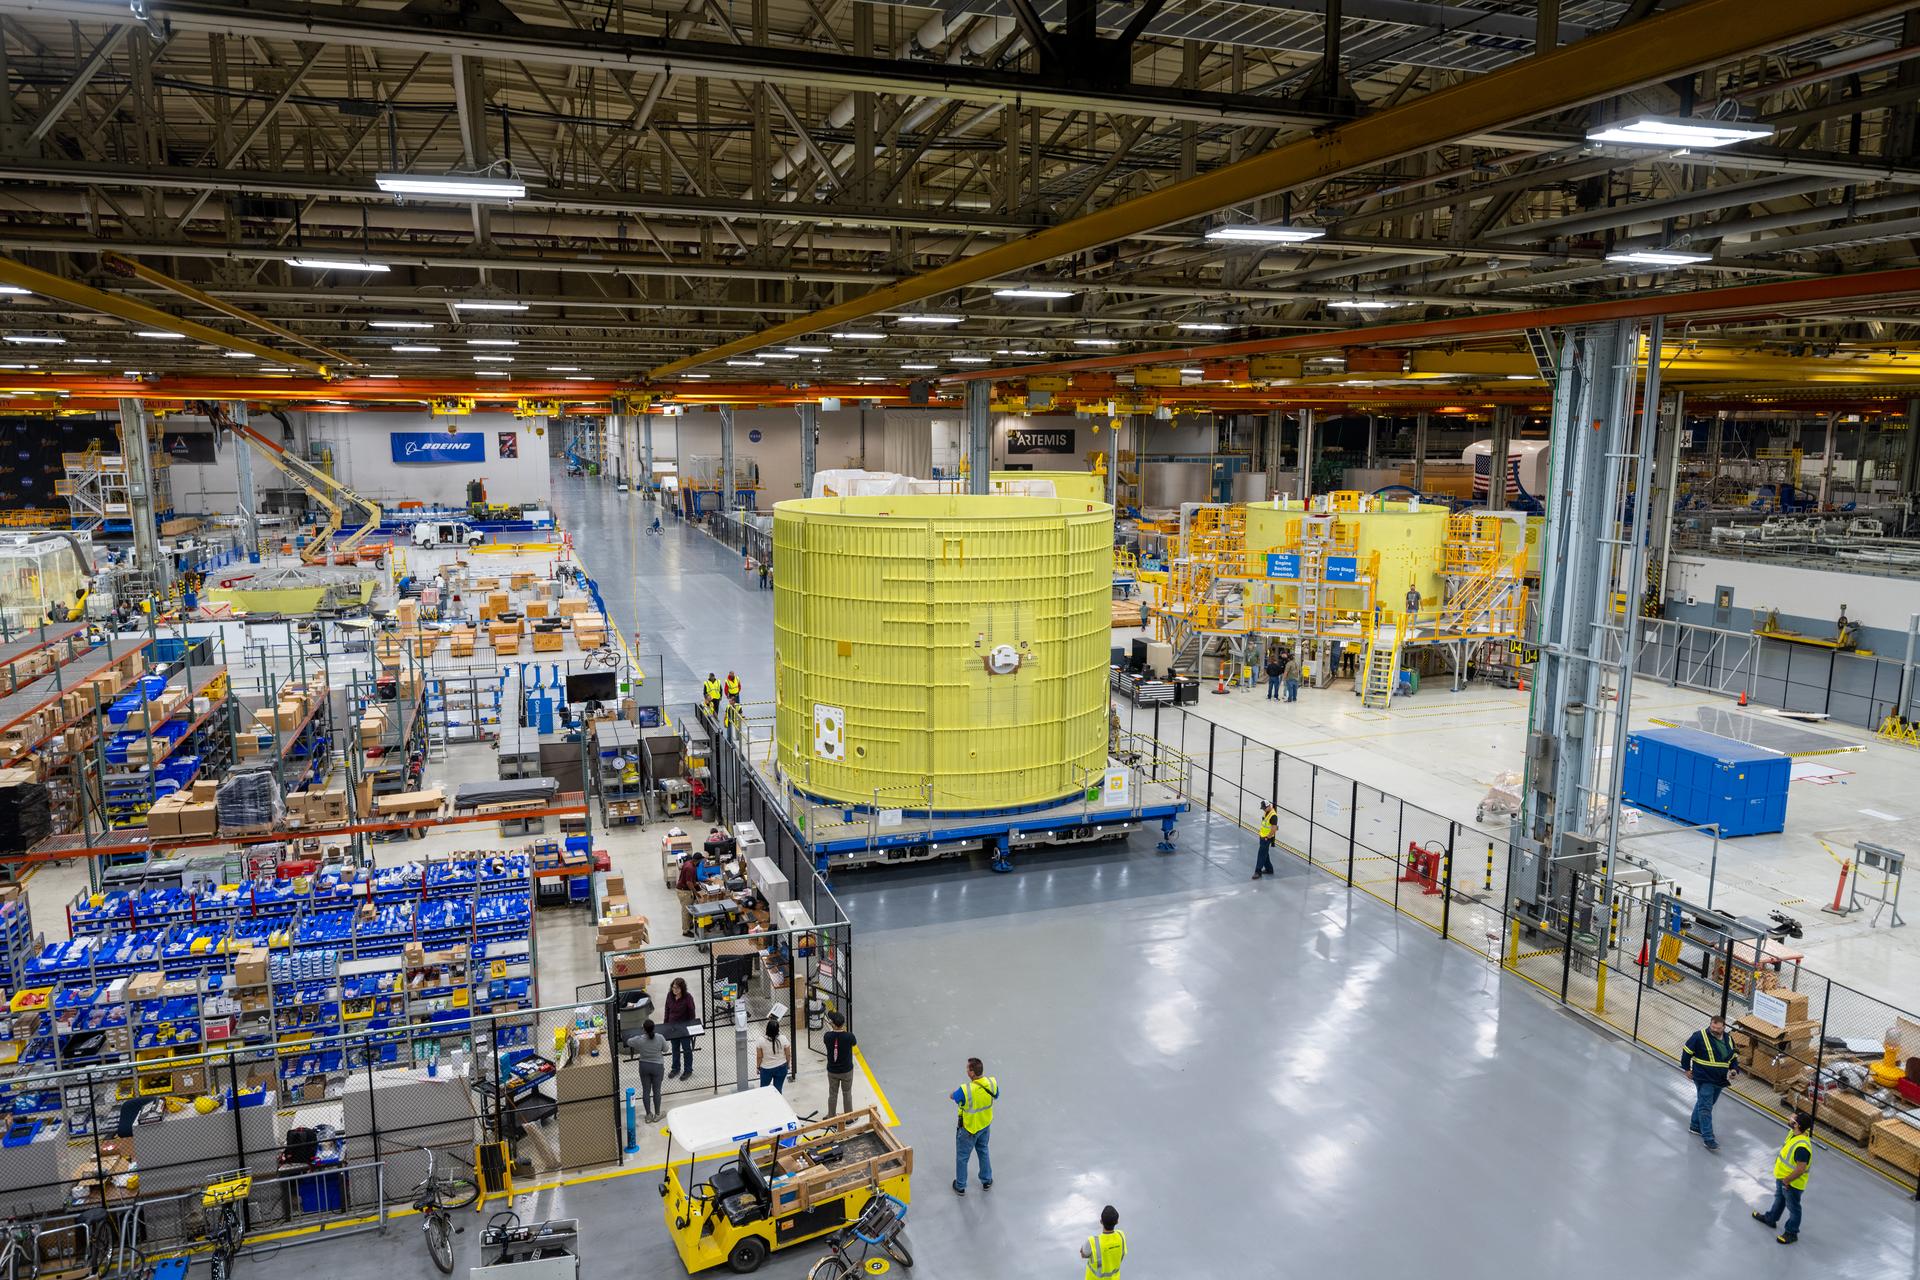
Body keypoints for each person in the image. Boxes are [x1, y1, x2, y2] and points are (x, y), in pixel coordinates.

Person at [1752, 1111, 1814, 1244]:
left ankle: (1792, 1232)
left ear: (1797, 1125)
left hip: (1792, 1183)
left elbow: (1800, 1169)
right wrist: (1795, 1118)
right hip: (1783, 1178)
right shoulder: (1795, 1133)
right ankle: (1771, 1219)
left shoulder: (1802, 1147)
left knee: (1794, 1208)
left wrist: (1787, 1180)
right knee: (1779, 1199)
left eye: (1794, 1120)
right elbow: (1790, 1117)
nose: (1791, 1119)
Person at [1680, 1015, 1739, 1151]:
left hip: (1719, 1079)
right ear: (1710, 1024)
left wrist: (1734, 1070)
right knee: (1706, 1107)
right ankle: (1708, 1138)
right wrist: (1686, 1068)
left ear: (1724, 1027)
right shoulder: (1699, 1036)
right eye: (1713, 1027)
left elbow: (1733, 1058)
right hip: (1703, 1077)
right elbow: (1686, 1052)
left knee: (1706, 1103)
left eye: (1718, 1028)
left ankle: (1695, 1126)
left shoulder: (1729, 1039)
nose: (1714, 1030)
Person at [951, 1057, 999, 1194]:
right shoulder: (992, 1082)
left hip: (969, 1129)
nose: (966, 1070)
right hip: (984, 1125)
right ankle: (987, 1180)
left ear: (972, 1073)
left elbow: (955, 1097)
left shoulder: (965, 1090)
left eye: (967, 1068)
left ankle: (960, 1186)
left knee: (962, 1157)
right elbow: (997, 1095)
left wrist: (952, 1095)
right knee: (983, 1150)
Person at [632, 1019, 667, 1122]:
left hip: (644, 1066)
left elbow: (629, 1041)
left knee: (646, 1091)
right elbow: (666, 1049)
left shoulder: (640, 1040)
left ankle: (648, 1115)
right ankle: (657, 1114)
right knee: (657, 1091)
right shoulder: (660, 1038)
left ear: (644, 1029)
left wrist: (639, 1036)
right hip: (657, 1066)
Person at [663, 977, 697, 1080]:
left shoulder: (688, 998)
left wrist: (690, 1027)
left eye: (677, 988)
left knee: (687, 1049)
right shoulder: (670, 996)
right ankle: (675, 1068)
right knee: (675, 1049)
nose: (674, 990)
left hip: (684, 1028)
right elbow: (667, 1010)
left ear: (682, 988)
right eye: (673, 988)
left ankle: (688, 1070)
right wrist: (666, 1025)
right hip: (673, 1027)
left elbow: (692, 1013)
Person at [1079, 1205, 1126, 1280]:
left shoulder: (1092, 1241)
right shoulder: (1121, 1236)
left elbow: (1083, 1254)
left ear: (1101, 1221)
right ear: (1117, 1222)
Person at [824, 1011, 857, 1115]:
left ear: (832, 1023)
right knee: (847, 1093)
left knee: (833, 1094)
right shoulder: (849, 1036)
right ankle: (848, 1117)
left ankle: (831, 1117)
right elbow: (854, 1043)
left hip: (832, 1071)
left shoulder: (827, 1036)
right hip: (846, 1070)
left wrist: (832, 1028)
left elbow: (831, 1038)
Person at [755, 1016, 791, 1092]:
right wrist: (788, 1064)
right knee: (778, 1089)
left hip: (766, 1069)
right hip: (781, 1066)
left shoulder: (761, 1040)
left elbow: (759, 1057)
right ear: (778, 1029)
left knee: (764, 1090)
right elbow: (788, 1054)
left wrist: (758, 1067)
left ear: (767, 1029)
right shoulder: (783, 1038)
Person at [1252, 802, 1277, 879]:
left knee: (1261, 854)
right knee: (1265, 853)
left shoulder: (1273, 816)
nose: (1263, 810)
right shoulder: (1266, 812)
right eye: (1263, 808)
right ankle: (1269, 869)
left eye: (1264, 808)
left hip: (1267, 838)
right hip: (1262, 836)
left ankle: (1258, 871)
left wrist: (1268, 837)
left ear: (1269, 806)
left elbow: (1274, 829)